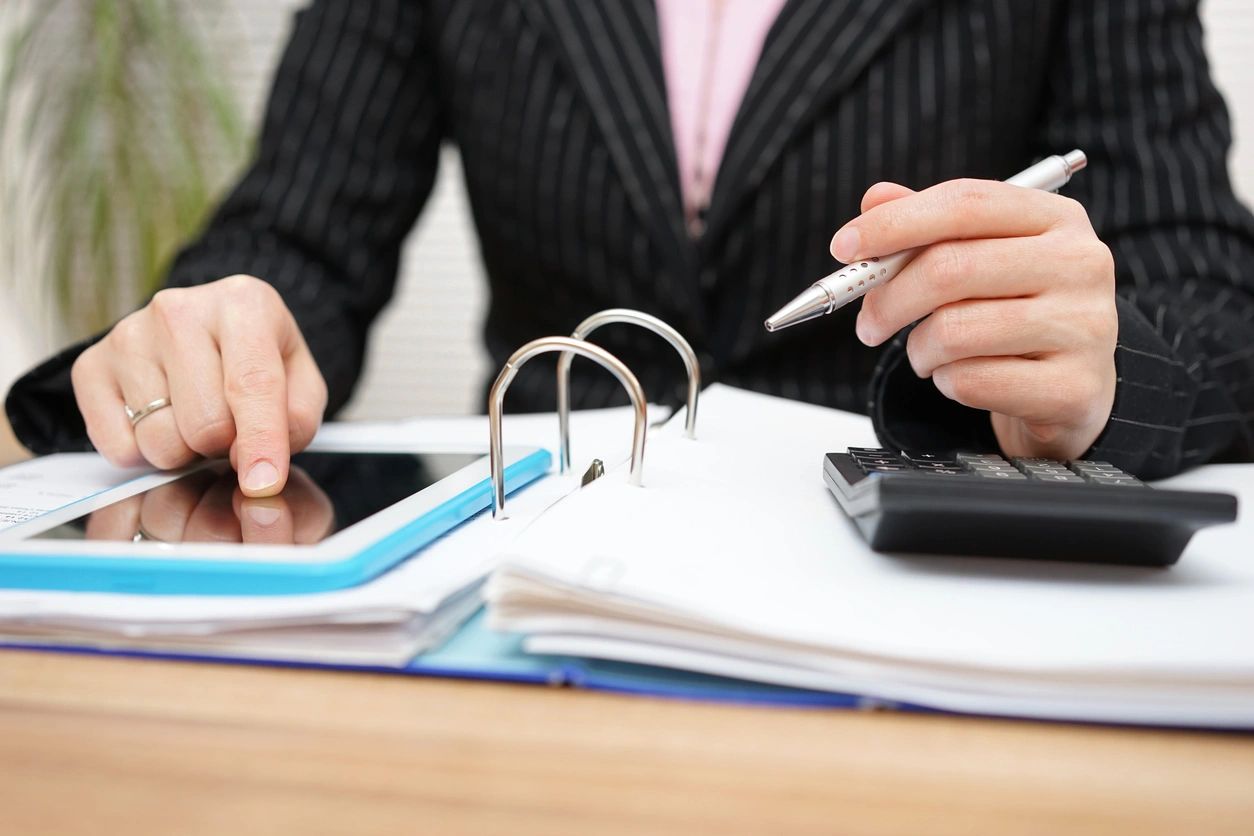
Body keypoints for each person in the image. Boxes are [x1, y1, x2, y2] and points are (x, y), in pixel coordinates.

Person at [6, 0, 1254, 500]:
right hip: (535, 600)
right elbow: (295, 239)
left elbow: (1212, 290)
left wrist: (1111, 366)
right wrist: (219, 334)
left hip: (917, 611)